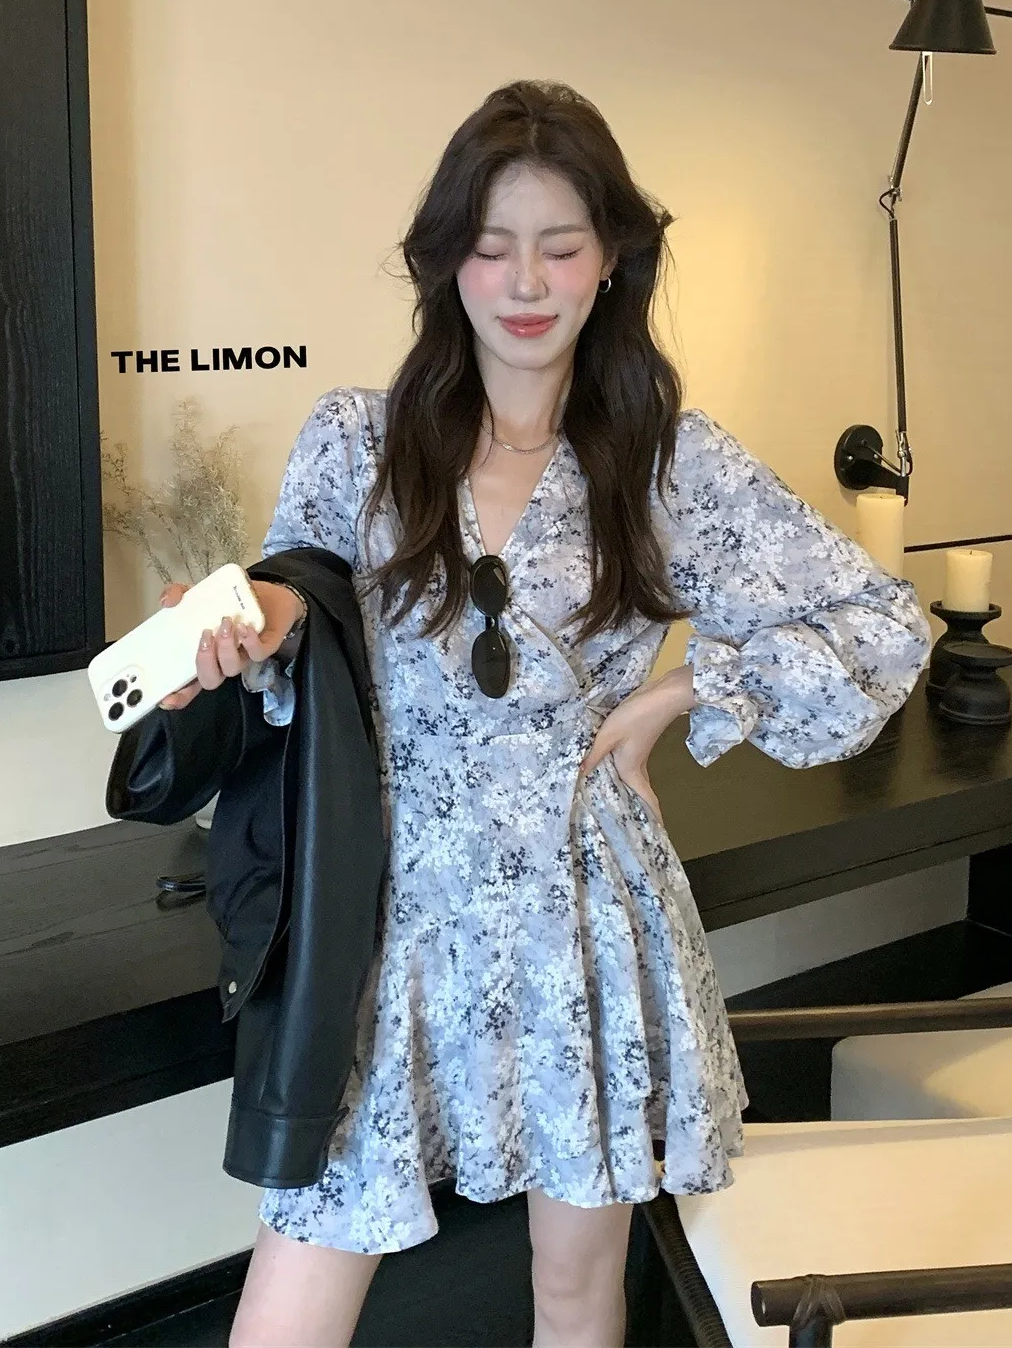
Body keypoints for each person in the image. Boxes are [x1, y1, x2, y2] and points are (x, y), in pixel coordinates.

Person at [159, 81, 931, 1348]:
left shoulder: (667, 459)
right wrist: (244, 622)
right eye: (491, 243)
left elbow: (883, 621)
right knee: (293, 1295)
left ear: (611, 257)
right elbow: (303, 602)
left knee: (576, 1289)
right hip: (392, 916)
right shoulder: (359, 441)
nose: (526, 281)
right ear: (443, 260)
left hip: (587, 914)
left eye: (561, 245)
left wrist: (686, 691)